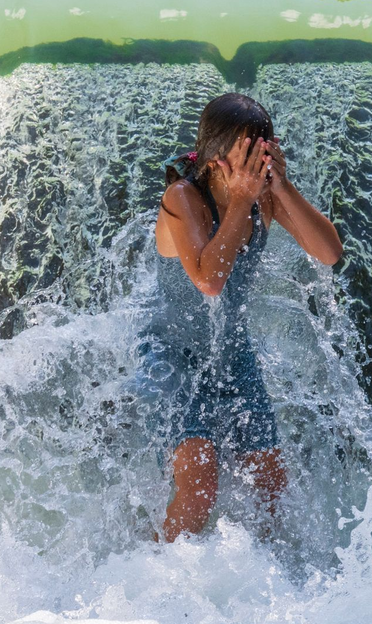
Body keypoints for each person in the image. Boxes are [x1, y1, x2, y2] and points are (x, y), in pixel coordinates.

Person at [140, 92, 343, 543]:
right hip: (172, 352)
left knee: (270, 486)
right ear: (214, 156)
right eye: (246, 151)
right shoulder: (182, 197)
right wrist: (238, 200)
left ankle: (262, 590)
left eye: (263, 149)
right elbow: (209, 281)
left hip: (231, 352)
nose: (256, 161)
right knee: (200, 486)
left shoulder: (263, 198)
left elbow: (329, 253)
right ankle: (151, 574)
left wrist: (282, 187)